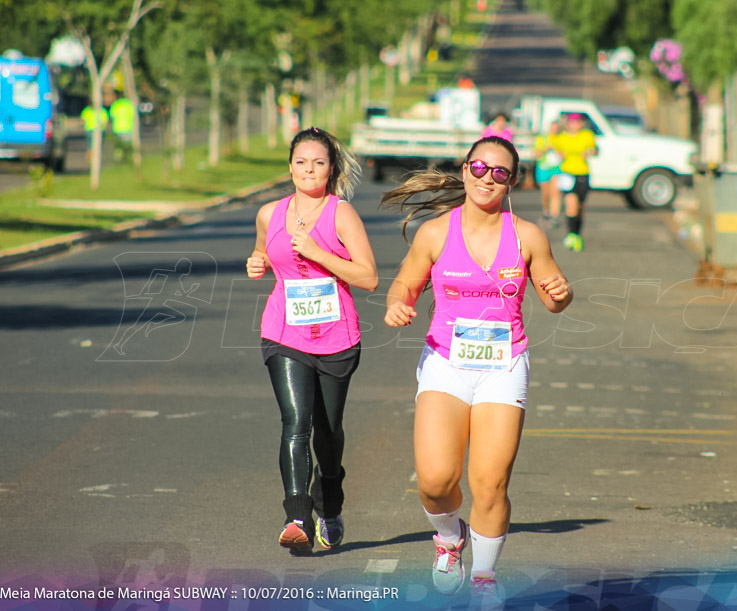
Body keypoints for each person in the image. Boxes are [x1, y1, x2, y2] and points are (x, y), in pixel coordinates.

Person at [381, 136, 573, 603]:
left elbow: (552, 299)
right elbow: (404, 285)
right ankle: (449, 538)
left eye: (501, 172)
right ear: (465, 171)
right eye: (481, 168)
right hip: (446, 362)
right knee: (435, 480)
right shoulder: (435, 233)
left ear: (512, 183)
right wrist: (398, 305)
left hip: (503, 366)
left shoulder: (527, 236)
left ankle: (485, 576)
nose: (489, 178)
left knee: (489, 481)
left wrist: (559, 295)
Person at [245, 127, 378, 552]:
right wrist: (257, 263)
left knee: (328, 431)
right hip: (284, 332)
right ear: (290, 167)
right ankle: (297, 515)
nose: (309, 169)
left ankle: (331, 502)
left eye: (318, 162)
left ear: (331, 169)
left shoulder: (341, 214)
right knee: (295, 422)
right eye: (301, 162)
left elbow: (369, 278)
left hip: (337, 337)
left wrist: (319, 253)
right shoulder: (269, 213)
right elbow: (264, 253)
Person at [549, 113, 598, 251]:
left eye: (578, 122)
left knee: (580, 208)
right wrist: (558, 151)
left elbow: (594, 150)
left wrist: (590, 151)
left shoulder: (587, 135)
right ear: (568, 124)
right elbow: (550, 140)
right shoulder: (562, 137)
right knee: (571, 203)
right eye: (573, 122)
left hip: (582, 173)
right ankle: (571, 235)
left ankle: (577, 234)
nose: (575, 125)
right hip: (567, 173)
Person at [533, 119, 563, 225]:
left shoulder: (561, 138)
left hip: (556, 168)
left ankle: (554, 215)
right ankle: (546, 212)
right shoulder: (542, 138)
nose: (554, 130)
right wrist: (547, 148)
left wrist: (556, 149)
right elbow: (537, 154)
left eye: (556, 128)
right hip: (543, 167)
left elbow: (564, 155)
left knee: (555, 193)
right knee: (546, 193)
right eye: (553, 127)